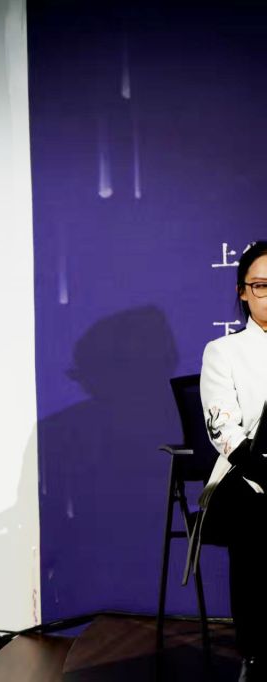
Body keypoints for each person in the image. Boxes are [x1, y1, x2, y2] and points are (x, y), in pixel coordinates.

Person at [199, 240, 267, 681]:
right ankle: (256, 652)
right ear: (243, 291)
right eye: (262, 285)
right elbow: (223, 428)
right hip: (248, 476)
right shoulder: (223, 351)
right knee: (257, 513)